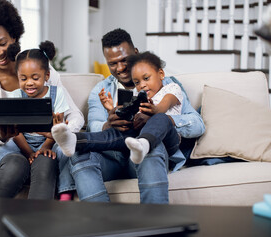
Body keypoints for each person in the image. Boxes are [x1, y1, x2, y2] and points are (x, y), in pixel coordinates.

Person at [55, 28, 205, 204]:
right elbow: (94, 124)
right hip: (112, 155)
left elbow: (197, 124)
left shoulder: (167, 86)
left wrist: (161, 120)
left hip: (144, 150)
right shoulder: (100, 91)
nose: (120, 68)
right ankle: (101, 226)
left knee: (151, 146)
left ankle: (154, 225)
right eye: (112, 64)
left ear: (135, 53)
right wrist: (108, 123)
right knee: (79, 154)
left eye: (124, 60)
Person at [0, 0, 83, 197]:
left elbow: (74, 114)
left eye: (2, 43)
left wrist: (58, 132)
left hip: (43, 143)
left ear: (14, 36)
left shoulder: (44, 71)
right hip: (5, 145)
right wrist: (2, 134)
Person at [0, 41, 69, 199]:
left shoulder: (57, 94)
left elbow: (57, 128)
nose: (29, 82)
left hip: (48, 141)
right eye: (23, 78)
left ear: (47, 76)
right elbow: (15, 132)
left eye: (35, 78)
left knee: (53, 154)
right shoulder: (16, 95)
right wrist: (29, 152)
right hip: (21, 142)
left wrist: (44, 147)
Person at [52, 51, 182, 165]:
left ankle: (144, 143)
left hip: (167, 139)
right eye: (137, 82)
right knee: (115, 133)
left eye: (146, 78)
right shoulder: (138, 95)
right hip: (137, 137)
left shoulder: (171, 88)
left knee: (161, 118)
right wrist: (112, 110)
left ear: (161, 74)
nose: (142, 85)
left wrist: (154, 111)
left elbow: (164, 105)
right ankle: (75, 140)